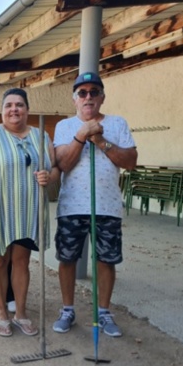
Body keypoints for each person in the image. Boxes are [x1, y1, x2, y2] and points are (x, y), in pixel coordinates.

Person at [52, 72, 138, 337]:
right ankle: (68, 310)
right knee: (67, 258)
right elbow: (63, 164)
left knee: (106, 260)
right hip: (72, 206)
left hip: (107, 205)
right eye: (82, 93)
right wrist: (82, 134)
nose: (88, 97)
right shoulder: (64, 126)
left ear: (102, 97)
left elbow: (130, 161)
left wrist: (101, 141)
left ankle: (103, 312)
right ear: (74, 99)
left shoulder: (117, 123)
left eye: (93, 92)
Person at [0, 88, 58, 337]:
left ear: (27, 109)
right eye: (9, 105)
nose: (14, 109)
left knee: (22, 261)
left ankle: (20, 313)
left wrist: (49, 176)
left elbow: (56, 169)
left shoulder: (41, 136)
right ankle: (1, 312)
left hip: (29, 210)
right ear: (2, 111)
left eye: (19, 105)